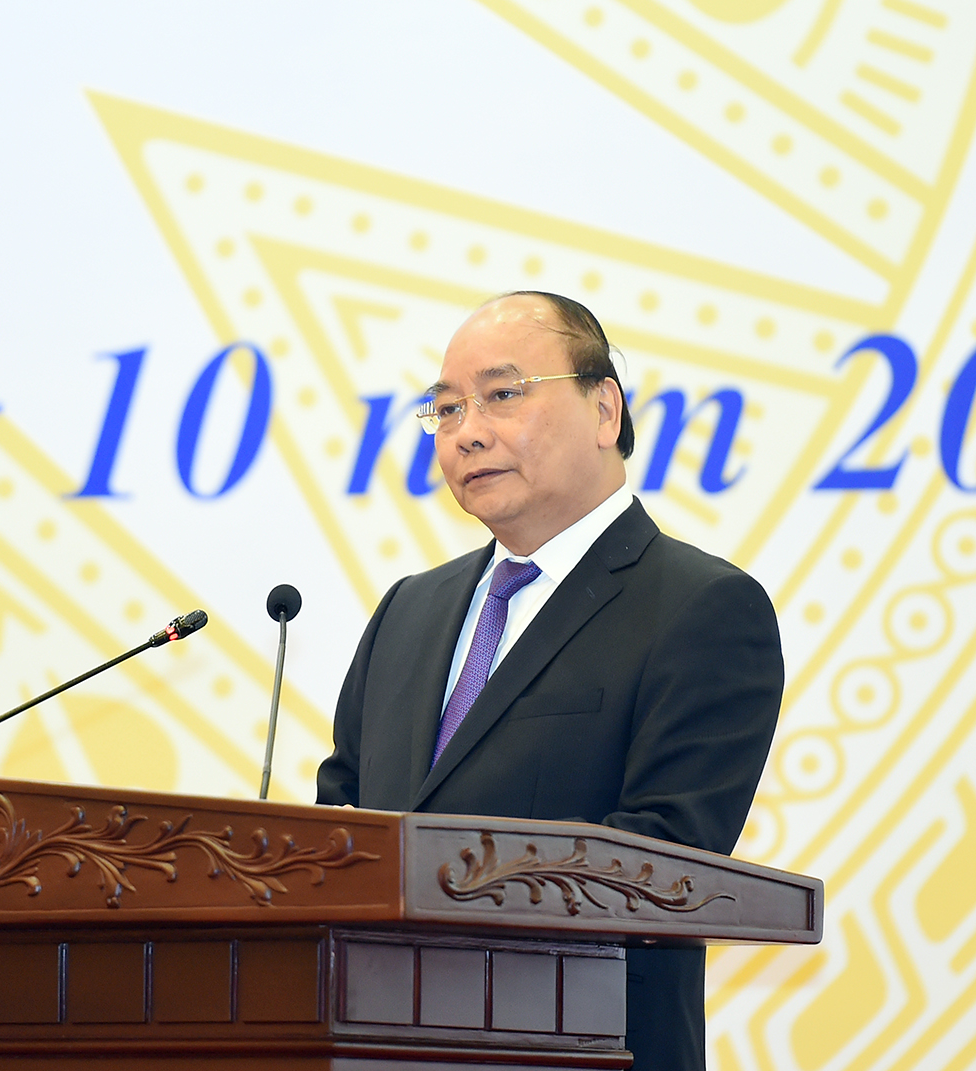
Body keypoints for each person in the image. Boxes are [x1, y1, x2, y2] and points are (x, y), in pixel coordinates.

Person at [317, 291, 783, 1071]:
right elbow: (342, 813)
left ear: (604, 410)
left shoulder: (702, 607)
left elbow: (667, 853)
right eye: (446, 409)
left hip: (579, 1045)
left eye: (502, 394)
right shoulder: (408, 609)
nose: (468, 431)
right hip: (380, 1043)